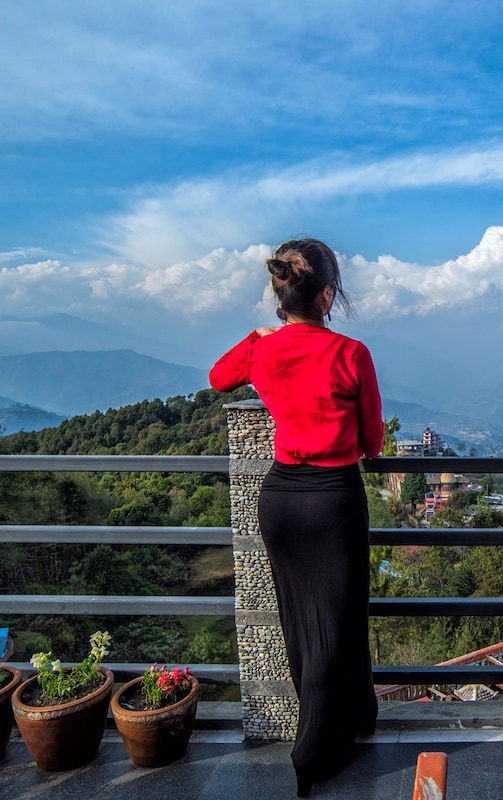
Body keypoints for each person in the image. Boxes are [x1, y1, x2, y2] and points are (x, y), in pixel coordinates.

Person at [209, 238, 383, 798]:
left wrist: (258, 336)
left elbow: (218, 378)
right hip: (333, 500)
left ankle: (339, 723)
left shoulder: (263, 350)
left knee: (302, 625)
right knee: (341, 620)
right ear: (327, 295)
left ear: (281, 291)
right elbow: (373, 442)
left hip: (281, 499)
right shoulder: (351, 354)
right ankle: (317, 750)